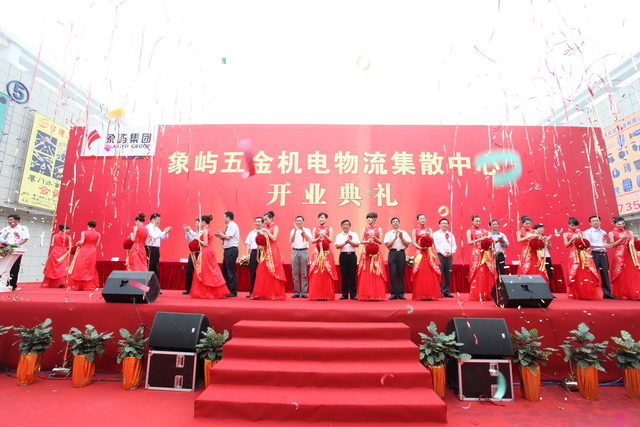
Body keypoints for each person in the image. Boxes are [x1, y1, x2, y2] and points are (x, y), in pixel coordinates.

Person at [190, 215, 229, 299]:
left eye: (200, 222)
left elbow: (205, 243)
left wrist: (197, 239)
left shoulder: (205, 230)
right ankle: (213, 291)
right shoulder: (208, 229)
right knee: (211, 269)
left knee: (206, 270)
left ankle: (207, 292)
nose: (199, 223)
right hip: (209, 251)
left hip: (206, 251)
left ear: (204, 222)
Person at [563, 217, 602, 300]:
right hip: (574, 255)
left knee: (586, 271)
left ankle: (587, 292)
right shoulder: (566, 234)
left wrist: (581, 239)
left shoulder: (582, 232)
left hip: (584, 254)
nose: (574, 227)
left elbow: (586, 243)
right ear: (568, 225)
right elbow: (566, 245)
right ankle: (577, 293)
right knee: (575, 272)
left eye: (575, 225)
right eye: (572, 225)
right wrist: (572, 239)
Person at [252, 211, 287, 300]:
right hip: (265, 251)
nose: (265, 221)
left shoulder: (275, 227)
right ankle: (263, 293)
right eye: (264, 220)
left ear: (271, 219)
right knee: (263, 271)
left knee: (274, 270)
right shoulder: (265, 229)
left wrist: (267, 232)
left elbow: (274, 238)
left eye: (266, 219)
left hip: (273, 250)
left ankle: (275, 293)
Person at [357, 212, 388, 301]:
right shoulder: (364, 229)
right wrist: (368, 241)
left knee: (376, 271)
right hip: (366, 252)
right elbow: (361, 241)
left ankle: (376, 294)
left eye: (370, 218)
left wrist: (374, 238)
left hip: (376, 252)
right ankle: (366, 294)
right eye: (367, 218)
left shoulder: (379, 229)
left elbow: (380, 242)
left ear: (375, 218)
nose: (368, 219)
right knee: (366, 271)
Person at [584, 215, 616, 299]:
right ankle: (590, 293)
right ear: (590, 223)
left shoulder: (603, 232)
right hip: (593, 254)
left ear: (600, 221)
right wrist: (602, 245)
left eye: (597, 220)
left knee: (605, 273)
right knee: (592, 274)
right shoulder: (587, 232)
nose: (596, 222)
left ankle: (607, 294)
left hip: (603, 254)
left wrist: (607, 246)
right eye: (593, 221)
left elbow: (604, 243)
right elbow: (588, 243)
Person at [608, 216, 640, 300]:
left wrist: (634, 239)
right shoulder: (611, 233)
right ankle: (623, 292)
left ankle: (635, 292)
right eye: (619, 224)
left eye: (623, 223)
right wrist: (622, 239)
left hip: (630, 253)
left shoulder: (629, 232)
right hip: (620, 253)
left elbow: (632, 242)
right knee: (621, 272)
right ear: (615, 224)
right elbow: (612, 245)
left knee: (633, 272)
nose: (621, 225)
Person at [467, 215, 497, 302]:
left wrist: (490, 243)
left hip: (485, 253)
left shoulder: (484, 230)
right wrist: (481, 239)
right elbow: (469, 242)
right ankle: (477, 293)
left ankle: (488, 293)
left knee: (487, 272)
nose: (478, 223)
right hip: (477, 253)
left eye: (479, 221)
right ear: (472, 221)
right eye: (476, 221)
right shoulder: (470, 231)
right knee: (478, 273)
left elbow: (489, 240)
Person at [308, 212, 337, 301]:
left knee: (326, 272)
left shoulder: (329, 228)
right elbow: (312, 241)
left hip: (326, 252)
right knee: (317, 272)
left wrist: (325, 236)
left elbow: (330, 240)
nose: (320, 219)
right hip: (317, 252)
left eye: (322, 217)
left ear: (326, 219)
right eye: (319, 218)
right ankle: (317, 294)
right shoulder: (315, 228)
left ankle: (326, 295)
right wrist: (318, 238)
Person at [411, 214, 441, 300]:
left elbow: (431, 240)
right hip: (419, 253)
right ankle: (421, 294)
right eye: (421, 219)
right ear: (418, 220)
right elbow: (414, 242)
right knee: (420, 271)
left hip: (429, 252)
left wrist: (428, 236)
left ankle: (430, 294)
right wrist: (420, 247)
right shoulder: (415, 230)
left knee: (430, 272)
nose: (423, 220)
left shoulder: (429, 229)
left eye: (424, 218)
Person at [68, 220, 100, 291]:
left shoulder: (84, 232)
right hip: (92, 250)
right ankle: (89, 284)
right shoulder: (98, 234)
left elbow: (82, 241)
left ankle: (79, 284)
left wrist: (78, 243)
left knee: (81, 266)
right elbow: (97, 245)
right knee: (90, 266)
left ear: (88, 225)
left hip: (84, 250)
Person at [384, 217, 411, 300]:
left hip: (401, 253)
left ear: (399, 223)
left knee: (401, 273)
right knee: (392, 274)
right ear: (391, 224)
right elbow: (388, 246)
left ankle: (401, 293)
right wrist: (395, 238)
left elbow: (407, 245)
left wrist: (401, 238)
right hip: (392, 253)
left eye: (397, 221)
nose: (395, 223)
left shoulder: (404, 233)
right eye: (394, 222)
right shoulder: (388, 234)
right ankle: (393, 294)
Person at [214, 211, 240, 297]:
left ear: (228, 217)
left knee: (231, 271)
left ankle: (233, 291)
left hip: (231, 250)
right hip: (227, 250)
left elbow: (228, 237)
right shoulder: (229, 226)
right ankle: (227, 289)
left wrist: (221, 235)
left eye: (224, 217)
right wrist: (220, 235)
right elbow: (226, 238)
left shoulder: (232, 225)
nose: (223, 219)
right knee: (225, 270)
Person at [0, 214, 30, 290]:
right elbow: (1, 238)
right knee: (3, 266)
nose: (9, 221)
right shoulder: (5, 229)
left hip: (17, 250)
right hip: (5, 250)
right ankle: (2, 282)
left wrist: (16, 244)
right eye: (8, 220)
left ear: (17, 220)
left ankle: (12, 284)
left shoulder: (23, 228)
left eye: (11, 220)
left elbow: (25, 239)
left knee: (14, 267)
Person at [516, 216, 549, 283]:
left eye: (529, 224)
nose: (528, 225)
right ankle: (524, 282)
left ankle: (538, 283)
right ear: (523, 224)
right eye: (526, 224)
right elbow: (519, 240)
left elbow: (539, 239)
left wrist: (541, 240)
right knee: (525, 266)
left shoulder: (534, 231)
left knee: (536, 265)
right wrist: (529, 236)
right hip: (525, 252)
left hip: (534, 251)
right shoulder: (519, 231)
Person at [335, 219, 360, 300]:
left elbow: (357, 244)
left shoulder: (354, 234)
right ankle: (344, 294)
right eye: (344, 225)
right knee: (344, 275)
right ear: (341, 226)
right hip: (343, 256)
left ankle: (353, 294)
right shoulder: (339, 235)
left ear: (349, 226)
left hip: (352, 255)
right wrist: (346, 243)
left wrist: (350, 242)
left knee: (352, 275)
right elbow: (337, 246)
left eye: (347, 225)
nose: (345, 226)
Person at [432, 218, 456, 297]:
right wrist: (443, 253)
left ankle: (446, 291)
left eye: (446, 223)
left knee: (448, 274)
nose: (444, 225)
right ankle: (439, 291)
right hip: (440, 255)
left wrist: (451, 252)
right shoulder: (436, 234)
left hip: (449, 256)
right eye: (443, 223)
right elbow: (436, 245)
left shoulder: (451, 234)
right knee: (440, 273)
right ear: (439, 225)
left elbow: (454, 245)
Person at [145, 213, 172, 283]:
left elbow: (163, 237)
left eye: (160, 220)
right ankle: (147, 283)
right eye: (158, 220)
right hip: (150, 248)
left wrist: (166, 232)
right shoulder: (148, 227)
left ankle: (155, 284)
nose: (159, 222)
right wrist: (164, 232)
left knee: (155, 266)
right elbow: (154, 236)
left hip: (156, 249)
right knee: (149, 266)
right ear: (153, 219)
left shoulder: (157, 228)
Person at [289, 215, 312, 298]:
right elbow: (291, 240)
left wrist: (302, 230)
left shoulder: (307, 230)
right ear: (295, 222)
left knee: (304, 273)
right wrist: (295, 230)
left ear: (303, 222)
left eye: (300, 221)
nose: (298, 222)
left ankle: (304, 292)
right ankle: (296, 292)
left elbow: (309, 239)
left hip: (304, 251)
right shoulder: (293, 230)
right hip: (295, 251)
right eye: (297, 221)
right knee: (295, 273)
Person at [244, 216, 263, 298]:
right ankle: (252, 291)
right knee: (253, 272)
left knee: (262, 273)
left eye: (259, 222)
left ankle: (261, 292)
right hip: (254, 253)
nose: (257, 223)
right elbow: (248, 244)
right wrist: (247, 254)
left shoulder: (265, 232)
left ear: (262, 223)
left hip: (262, 253)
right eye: (256, 222)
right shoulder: (251, 233)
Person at [182, 217, 202, 295]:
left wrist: (190, 230)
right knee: (189, 271)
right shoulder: (195, 232)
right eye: (195, 223)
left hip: (200, 253)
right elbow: (189, 239)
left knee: (199, 272)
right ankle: (188, 289)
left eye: (197, 223)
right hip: (193, 253)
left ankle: (200, 289)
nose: (195, 224)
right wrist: (187, 231)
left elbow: (197, 238)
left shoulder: (202, 232)